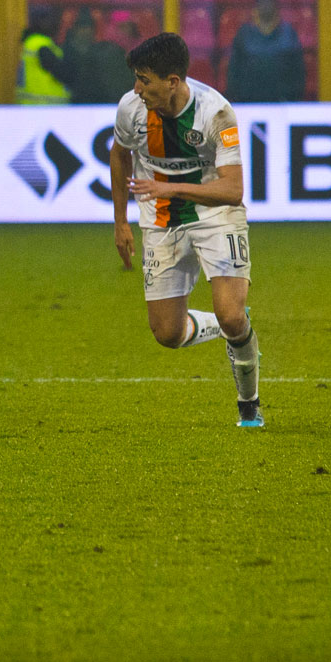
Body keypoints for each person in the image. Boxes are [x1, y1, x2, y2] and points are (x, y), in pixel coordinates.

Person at [109, 30, 264, 429]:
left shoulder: (217, 113)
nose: (137, 88)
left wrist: (171, 187)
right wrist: (121, 221)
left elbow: (233, 190)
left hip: (215, 216)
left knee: (232, 318)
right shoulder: (131, 108)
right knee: (167, 333)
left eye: (144, 80)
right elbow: (120, 154)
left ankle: (249, 406)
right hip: (160, 220)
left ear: (172, 81)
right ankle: (222, 324)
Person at [224, 0, 305, 102]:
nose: (266, 6)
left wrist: (293, 97)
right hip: (249, 102)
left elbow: (298, 70)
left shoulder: (288, 34)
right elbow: (234, 69)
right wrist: (237, 98)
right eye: (262, 3)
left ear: (276, 8)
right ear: (255, 9)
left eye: (269, 3)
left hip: (283, 102)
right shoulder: (244, 34)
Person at [54, 13, 135, 105]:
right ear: (75, 29)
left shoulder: (103, 52)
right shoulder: (64, 51)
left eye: (89, 28)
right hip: (72, 103)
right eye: (82, 28)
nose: (86, 31)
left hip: (99, 102)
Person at [16, 6, 67, 104]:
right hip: (44, 106)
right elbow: (62, 73)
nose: (54, 24)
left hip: (31, 105)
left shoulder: (31, 43)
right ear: (40, 23)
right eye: (49, 20)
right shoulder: (41, 45)